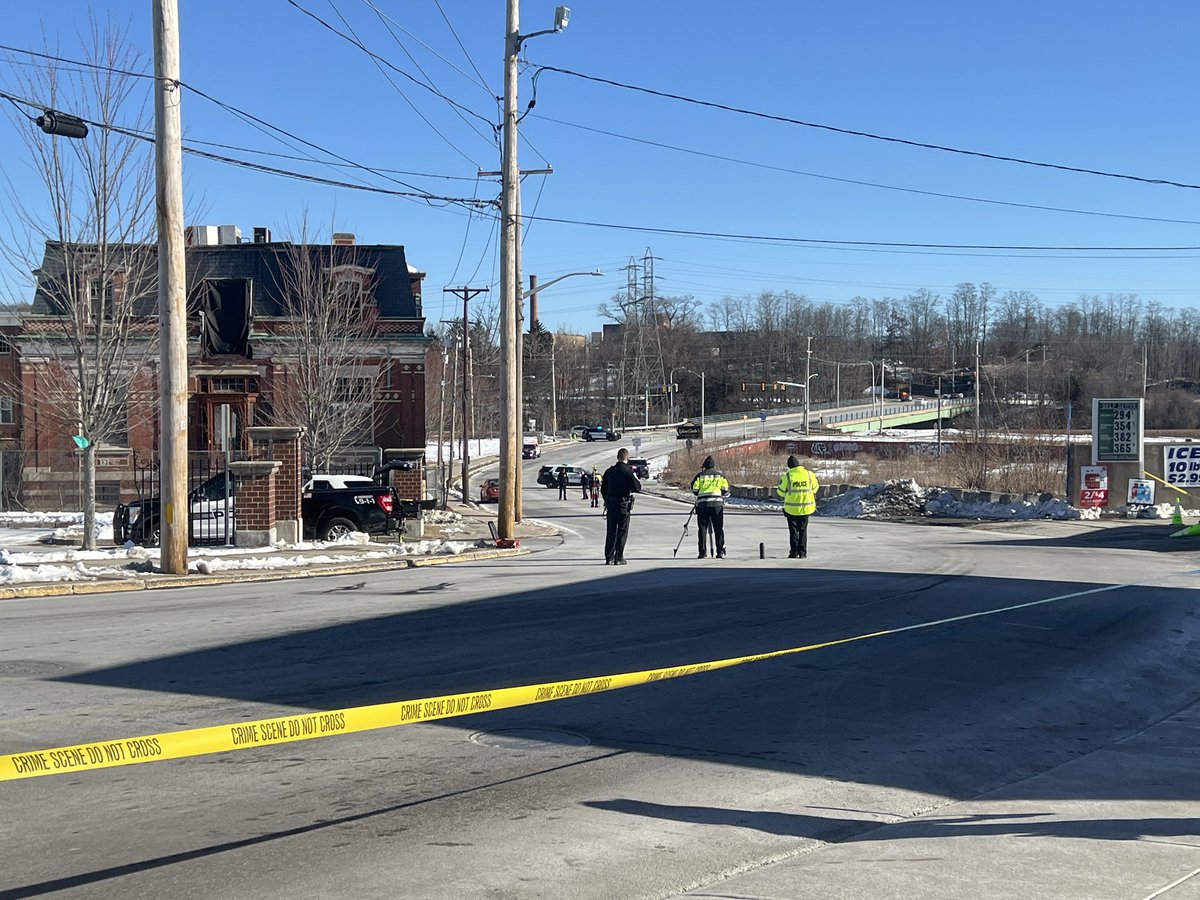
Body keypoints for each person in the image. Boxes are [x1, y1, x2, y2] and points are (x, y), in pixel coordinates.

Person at [601, 448, 642, 564]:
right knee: (622, 531)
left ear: (617, 457)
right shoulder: (628, 472)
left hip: (611, 504)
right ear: (627, 458)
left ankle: (609, 557)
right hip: (623, 505)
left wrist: (607, 500)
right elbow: (637, 487)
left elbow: (603, 489)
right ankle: (619, 557)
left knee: (611, 531)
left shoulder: (609, 471)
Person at [776, 454, 818, 559]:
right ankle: (803, 553)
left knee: (793, 531)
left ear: (789, 466)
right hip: (806, 508)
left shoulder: (787, 476)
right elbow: (815, 488)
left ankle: (794, 552)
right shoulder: (809, 474)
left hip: (791, 509)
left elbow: (780, 493)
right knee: (803, 531)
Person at [690, 455, 730, 558]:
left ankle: (702, 552)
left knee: (702, 529)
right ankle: (720, 551)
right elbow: (725, 488)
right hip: (717, 505)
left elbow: (695, 489)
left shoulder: (700, 476)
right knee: (718, 528)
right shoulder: (720, 476)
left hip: (703, 505)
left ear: (705, 466)